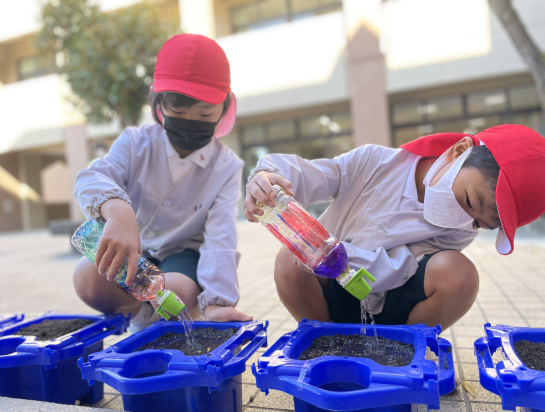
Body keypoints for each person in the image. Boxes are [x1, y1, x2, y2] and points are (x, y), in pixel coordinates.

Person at [244, 125, 545, 331]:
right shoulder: (376, 163)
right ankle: (325, 339)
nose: (465, 219)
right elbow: (319, 175)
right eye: (469, 200)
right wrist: (271, 177)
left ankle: (408, 347)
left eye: (480, 223)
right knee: (288, 259)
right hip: (329, 292)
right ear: (458, 152)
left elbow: (397, 269)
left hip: (393, 308)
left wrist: (335, 252)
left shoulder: (460, 229)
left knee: (459, 274)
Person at [73, 34, 252, 332]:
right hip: (136, 249)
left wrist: (218, 301)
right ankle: (142, 316)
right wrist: (118, 212)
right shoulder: (135, 143)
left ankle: (162, 317)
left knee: (176, 290)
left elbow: (221, 237)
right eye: (177, 112)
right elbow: (93, 176)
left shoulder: (227, 167)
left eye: (205, 113)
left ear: (225, 106)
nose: (190, 121)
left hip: (183, 255)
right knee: (87, 278)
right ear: (157, 102)